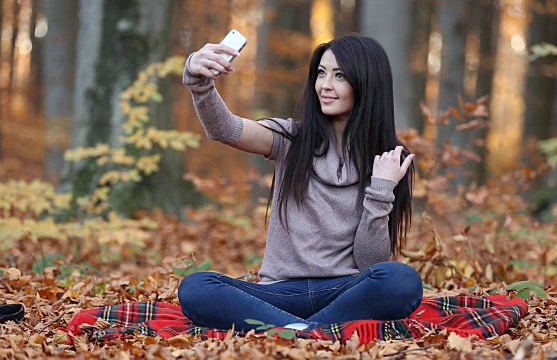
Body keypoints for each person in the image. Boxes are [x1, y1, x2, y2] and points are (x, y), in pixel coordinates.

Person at [178, 33, 423, 332]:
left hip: (344, 293)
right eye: (321, 73)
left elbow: (371, 265)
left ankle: (289, 330)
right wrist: (197, 78)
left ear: (366, 83)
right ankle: (312, 331)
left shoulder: (388, 161)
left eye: (340, 75)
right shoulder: (290, 138)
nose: (325, 86)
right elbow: (224, 129)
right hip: (278, 294)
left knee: (401, 280)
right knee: (196, 287)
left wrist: (382, 190)